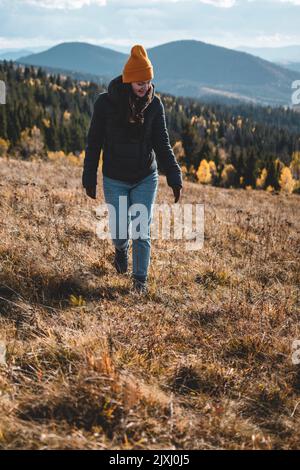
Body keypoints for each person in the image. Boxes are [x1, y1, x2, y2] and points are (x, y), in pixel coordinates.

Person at [82, 44, 183, 294]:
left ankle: (139, 282)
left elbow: (162, 142)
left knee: (140, 229)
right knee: (118, 230)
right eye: (140, 82)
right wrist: (89, 175)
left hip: (144, 177)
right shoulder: (105, 104)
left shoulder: (155, 105)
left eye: (148, 81)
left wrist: (173, 173)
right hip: (115, 177)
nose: (145, 87)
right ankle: (120, 250)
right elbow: (94, 141)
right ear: (128, 80)